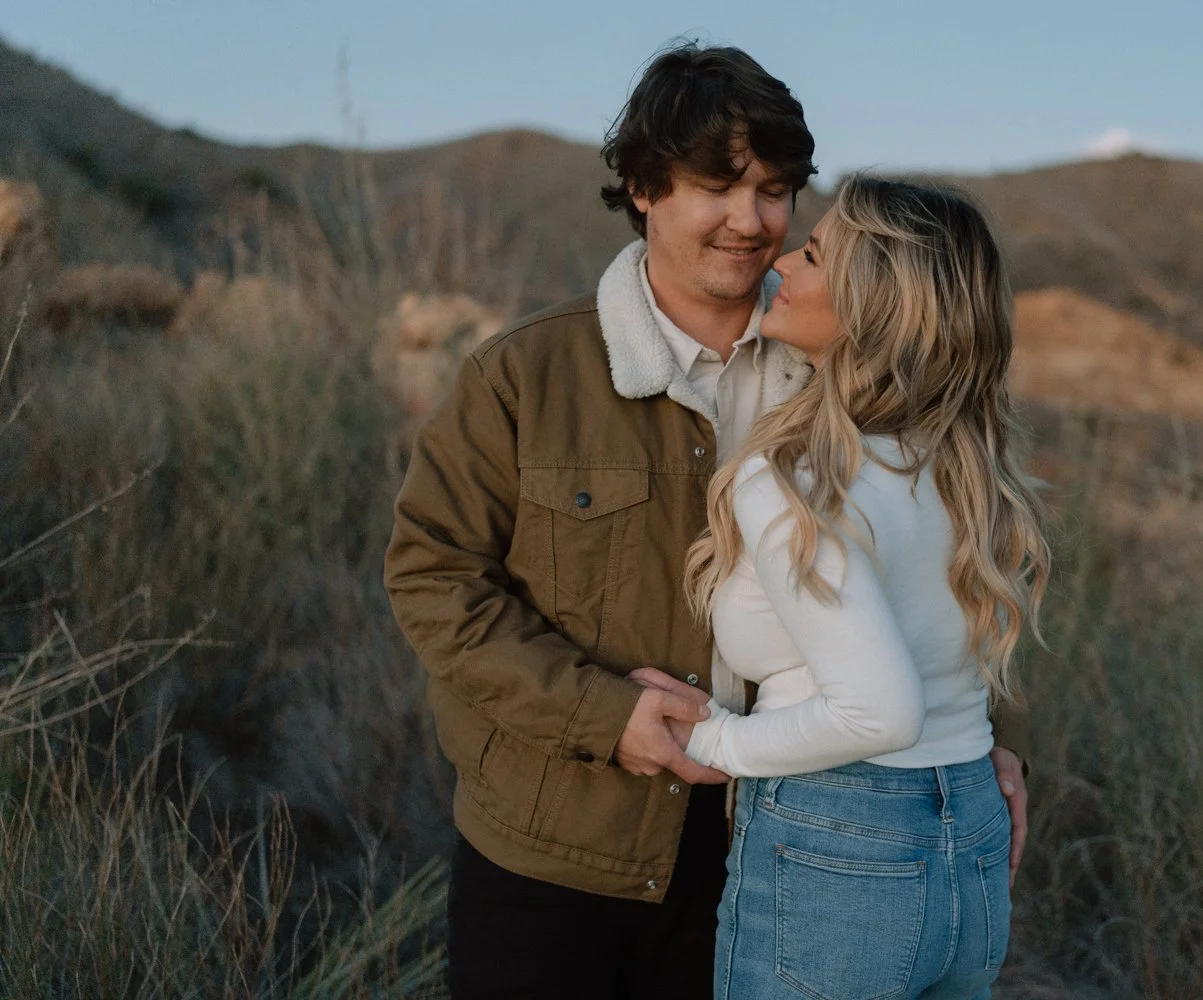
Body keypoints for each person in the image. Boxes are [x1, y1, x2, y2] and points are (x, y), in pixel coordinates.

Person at [385, 40, 1030, 997]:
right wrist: (610, 716)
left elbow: (941, 556)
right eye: (714, 186)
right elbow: (433, 582)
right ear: (643, 187)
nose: (751, 222)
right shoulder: (524, 375)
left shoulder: (845, 360)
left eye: (775, 190)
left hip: (772, 851)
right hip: (554, 850)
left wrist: (973, 751)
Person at [642, 176, 1051, 999]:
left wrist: (714, 742)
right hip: (969, 837)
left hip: (841, 847)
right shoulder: (966, 471)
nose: (781, 260)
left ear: (873, 302)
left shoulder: (796, 480)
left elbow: (880, 711)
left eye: (816, 253)